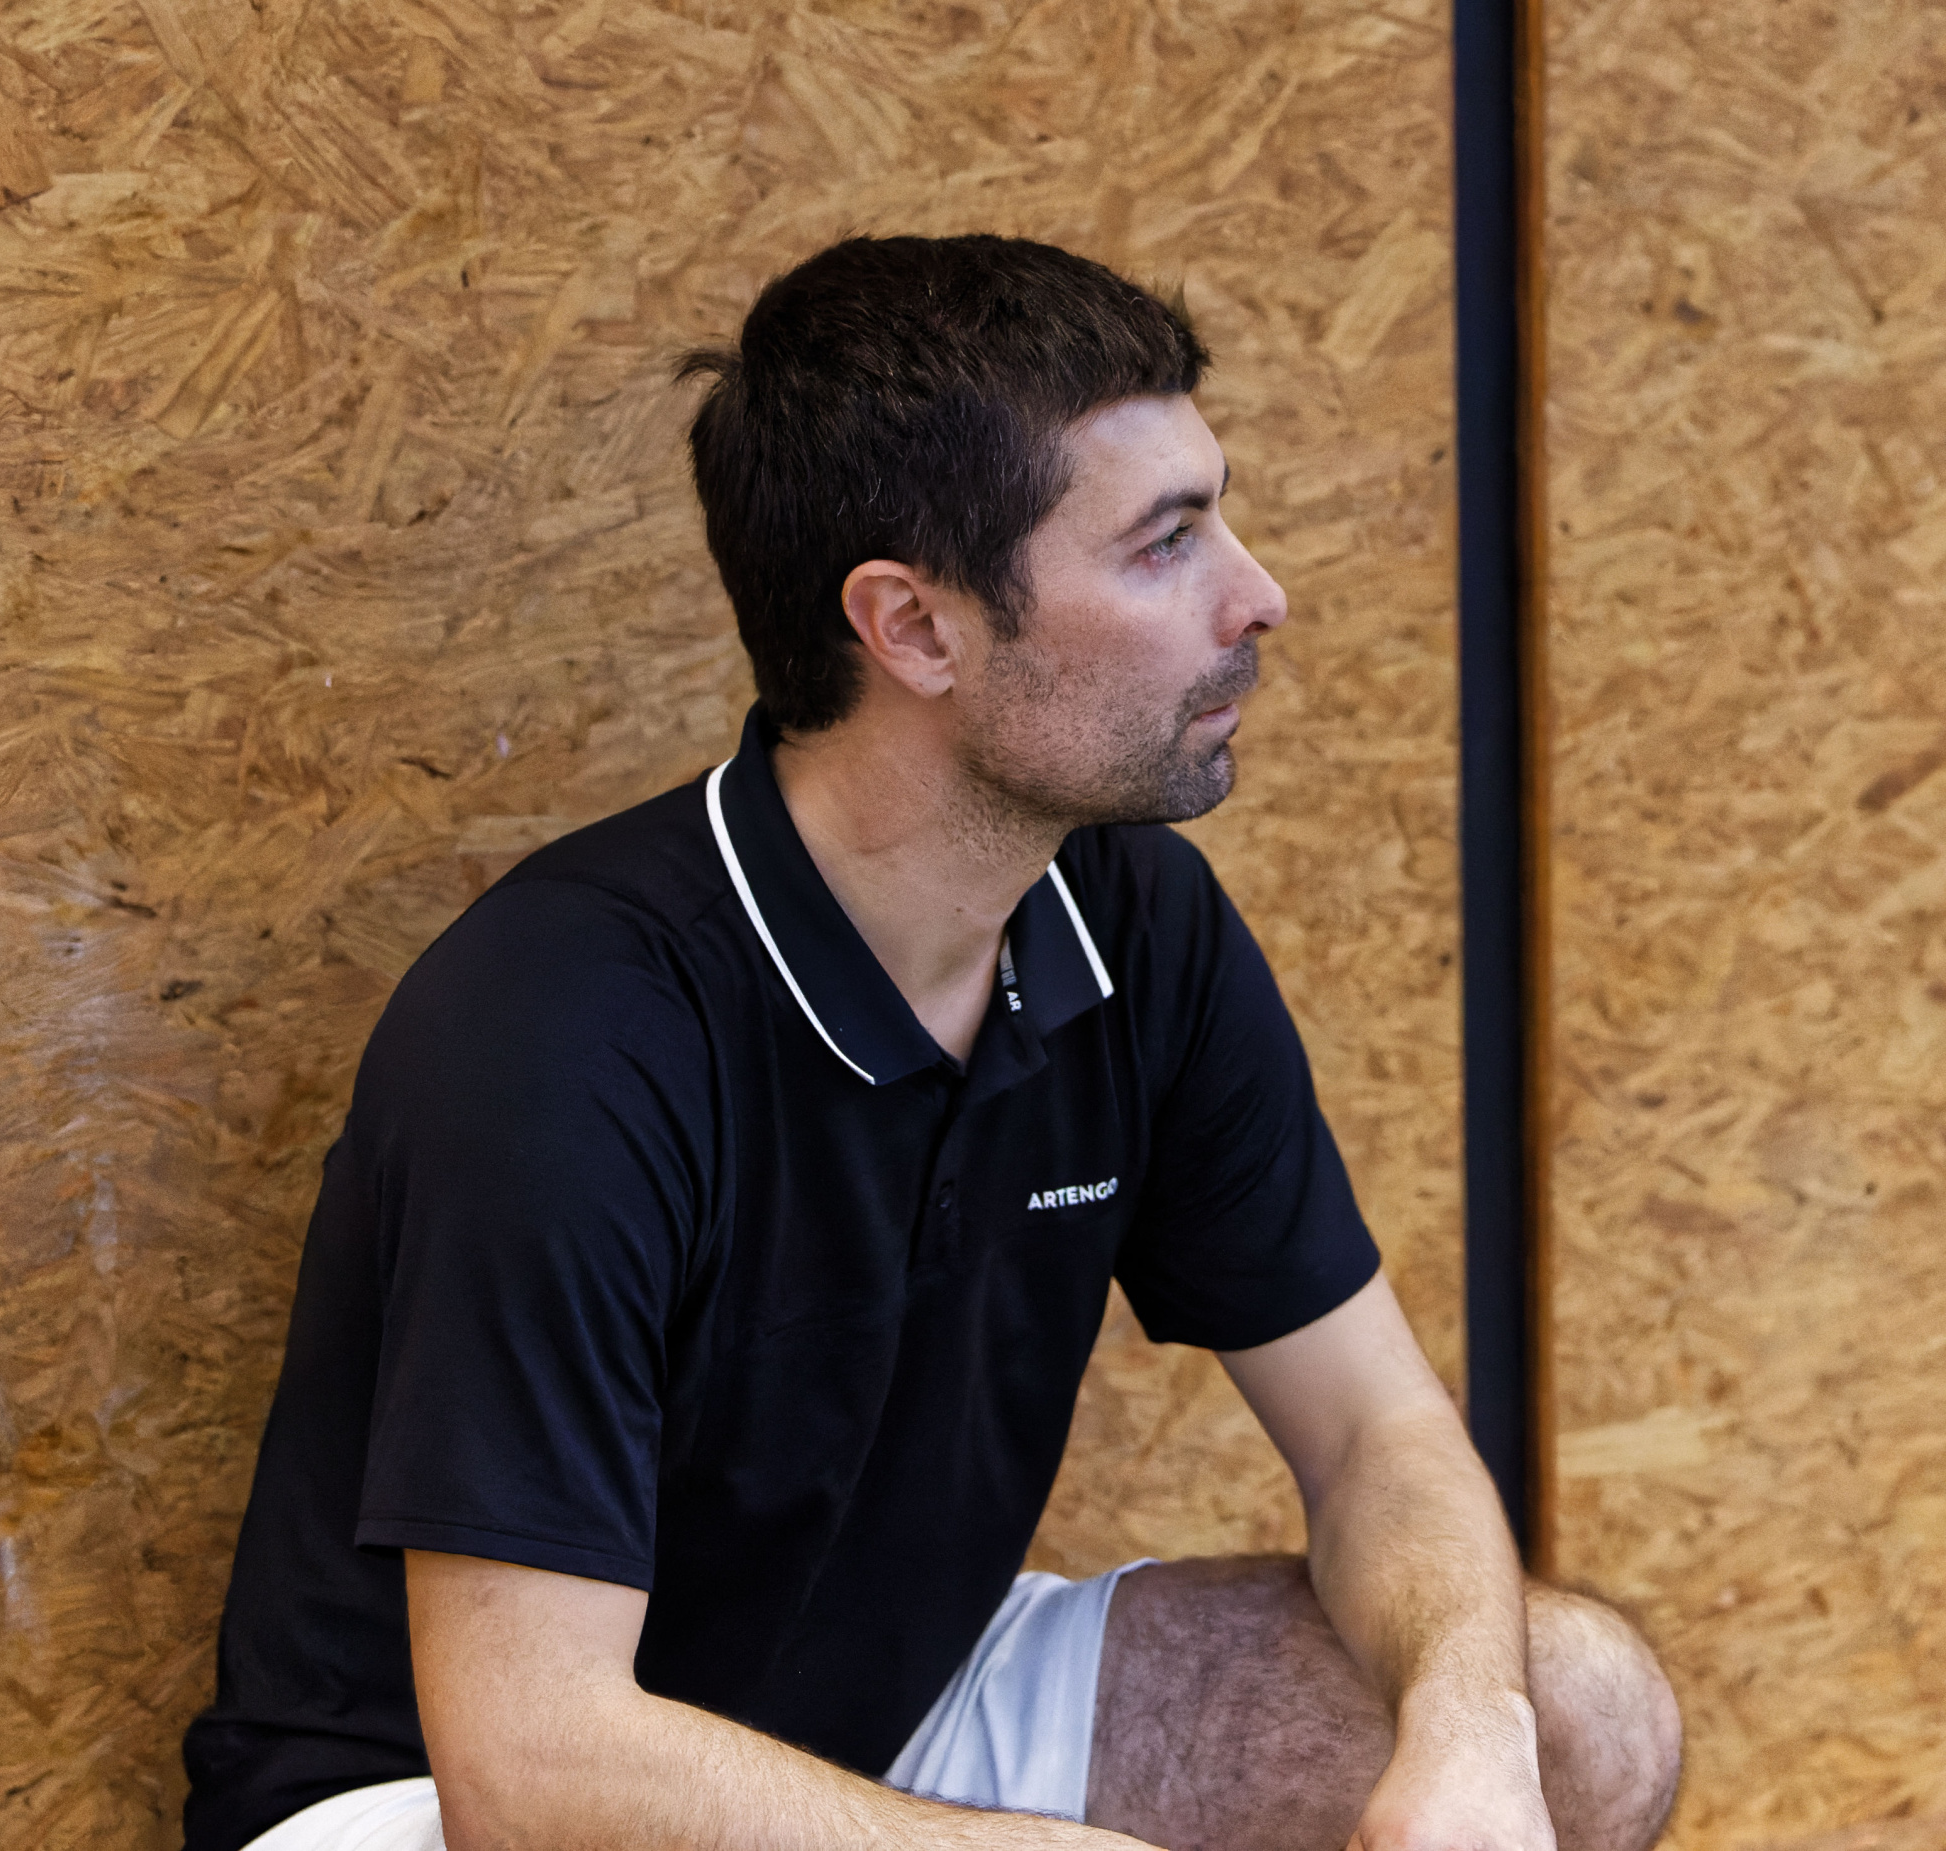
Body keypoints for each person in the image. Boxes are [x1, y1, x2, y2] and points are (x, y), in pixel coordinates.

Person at [181, 234, 1680, 1851]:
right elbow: (531, 1763)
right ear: (914, 628)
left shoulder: (1133, 925)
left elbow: (1378, 1433)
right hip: (447, 1801)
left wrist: (1467, 1733)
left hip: (885, 1712)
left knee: (1574, 1710)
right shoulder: (569, 1024)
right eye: (1167, 544)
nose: (1258, 596)